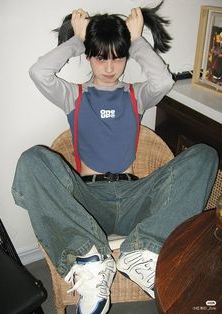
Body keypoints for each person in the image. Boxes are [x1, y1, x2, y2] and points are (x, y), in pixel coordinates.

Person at [12, 7, 218, 314]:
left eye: (118, 56)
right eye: (100, 57)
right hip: (88, 200)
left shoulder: (136, 96)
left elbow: (162, 81)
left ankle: (143, 251)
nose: (110, 67)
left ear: (126, 56)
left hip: (136, 196)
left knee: (205, 155)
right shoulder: (75, 96)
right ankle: (89, 261)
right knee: (32, 160)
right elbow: (38, 72)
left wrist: (135, 42)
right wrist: (78, 41)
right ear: (89, 56)